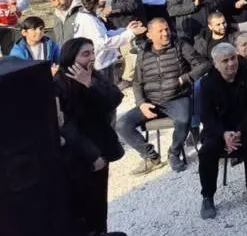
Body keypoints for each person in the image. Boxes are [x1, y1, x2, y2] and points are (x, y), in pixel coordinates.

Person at [116, 17, 208, 173]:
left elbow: (204, 64)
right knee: (122, 125)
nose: (165, 33)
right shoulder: (143, 53)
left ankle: (174, 152)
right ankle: (151, 156)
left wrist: (185, 78)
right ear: (150, 35)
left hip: (176, 98)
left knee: (183, 118)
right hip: (151, 102)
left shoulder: (180, 46)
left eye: (166, 29)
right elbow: (137, 82)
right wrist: (141, 103)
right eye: (160, 31)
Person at [55, 37, 125, 236]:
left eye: (93, 52)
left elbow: (114, 99)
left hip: (101, 146)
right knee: (83, 208)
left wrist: (90, 84)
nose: (92, 58)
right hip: (78, 155)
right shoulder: (58, 85)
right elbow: (66, 126)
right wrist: (92, 155)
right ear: (71, 58)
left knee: (99, 205)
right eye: (86, 54)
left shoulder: (93, 76)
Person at [198, 43, 247, 219]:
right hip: (219, 128)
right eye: (225, 61)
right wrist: (223, 134)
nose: (231, 63)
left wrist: (239, 131)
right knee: (207, 150)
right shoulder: (207, 83)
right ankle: (207, 196)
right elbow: (206, 115)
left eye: (233, 58)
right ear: (216, 64)